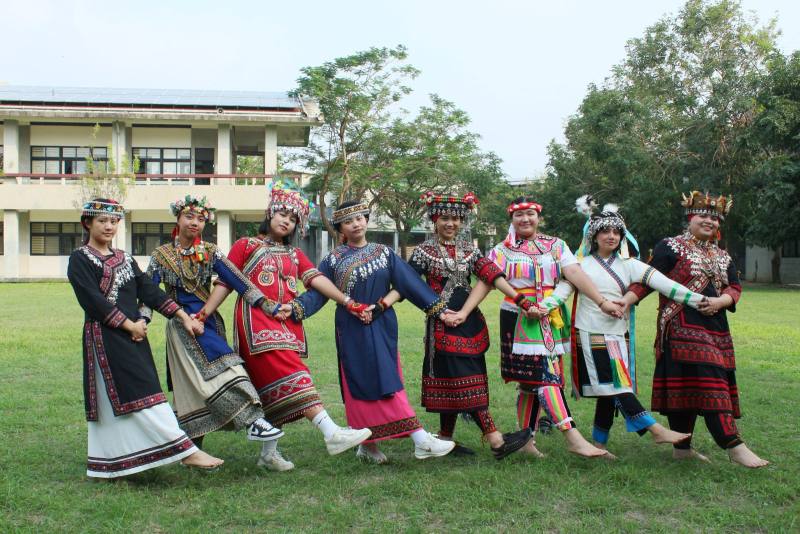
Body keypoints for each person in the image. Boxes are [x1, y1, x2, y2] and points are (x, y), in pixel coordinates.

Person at [200, 182, 371, 471]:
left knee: (272, 387)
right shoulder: (246, 245)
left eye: (292, 219)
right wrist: (205, 312)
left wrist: (347, 301)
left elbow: (317, 280)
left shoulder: (294, 254)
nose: (285, 221)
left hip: (287, 323)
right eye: (281, 214)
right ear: (269, 214)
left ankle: (269, 453)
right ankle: (332, 433)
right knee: (294, 372)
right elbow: (226, 281)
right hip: (256, 320)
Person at [67, 198, 223, 478]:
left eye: (113, 221)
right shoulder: (80, 259)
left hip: (134, 335)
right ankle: (186, 451)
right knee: (133, 393)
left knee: (146, 390)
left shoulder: (124, 258)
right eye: (102, 220)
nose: (108, 226)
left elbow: (149, 291)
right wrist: (129, 325)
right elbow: (92, 301)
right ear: (87, 223)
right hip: (105, 336)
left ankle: (116, 462)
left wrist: (183, 317)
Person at [294, 200, 458, 464]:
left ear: (367, 220)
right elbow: (318, 293)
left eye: (360, 218)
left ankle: (410, 440)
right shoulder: (333, 260)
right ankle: (373, 443)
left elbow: (408, 283)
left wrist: (436, 310)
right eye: (348, 221)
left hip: (382, 323)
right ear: (341, 228)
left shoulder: (384, 252)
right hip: (351, 327)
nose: (356, 224)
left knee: (388, 378)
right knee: (358, 380)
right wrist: (294, 309)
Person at [379, 192, 532, 459]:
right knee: (461, 379)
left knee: (462, 378)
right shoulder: (424, 251)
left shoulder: (470, 249)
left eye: (456, 219)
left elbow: (492, 275)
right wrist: (382, 305)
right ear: (435, 220)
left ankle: (446, 440)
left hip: (469, 321)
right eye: (445, 218)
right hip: (442, 322)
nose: (451, 223)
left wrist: (522, 300)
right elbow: (406, 284)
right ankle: (497, 440)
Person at [546, 198, 706, 455]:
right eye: (605, 231)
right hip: (590, 331)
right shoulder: (579, 266)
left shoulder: (629, 265)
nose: (611, 236)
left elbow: (665, 284)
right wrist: (544, 306)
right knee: (616, 386)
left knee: (611, 391)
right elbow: (563, 290)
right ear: (593, 236)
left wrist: (701, 301)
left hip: (619, 334)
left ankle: (599, 443)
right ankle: (654, 430)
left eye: (616, 231)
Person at [621, 191, 769, 468]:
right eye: (703, 215)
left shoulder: (723, 255)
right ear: (690, 218)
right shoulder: (670, 247)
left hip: (717, 329)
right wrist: (625, 301)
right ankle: (733, 444)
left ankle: (682, 448)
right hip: (679, 325)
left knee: (689, 388)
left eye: (714, 218)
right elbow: (648, 278)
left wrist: (722, 301)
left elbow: (734, 287)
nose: (709, 221)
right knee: (711, 382)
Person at [481, 196, 622, 458]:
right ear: (511, 219)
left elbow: (574, 275)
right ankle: (572, 438)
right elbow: (488, 281)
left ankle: (526, 442)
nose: (525, 219)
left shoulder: (555, 245)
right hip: (517, 317)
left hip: (548, 316)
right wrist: (466, 310)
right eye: (519, 215)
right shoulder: (502, 249)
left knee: (543, 378)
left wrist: (601, 301)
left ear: (538, 216)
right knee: (537, 380)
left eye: (530, 214)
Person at [141, 195, 282, 450]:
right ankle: (192, 446)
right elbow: (150, 293)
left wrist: (265, 304)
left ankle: (253, 421)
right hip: (180, 325)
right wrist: (141, 321)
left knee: (228, 366)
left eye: (201, 219)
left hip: (208, 321)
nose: (195, 222)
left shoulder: (210, 251)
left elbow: (236, 280)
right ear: (178, 218)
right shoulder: (160, 256)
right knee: (191, 385)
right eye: (189, 216)